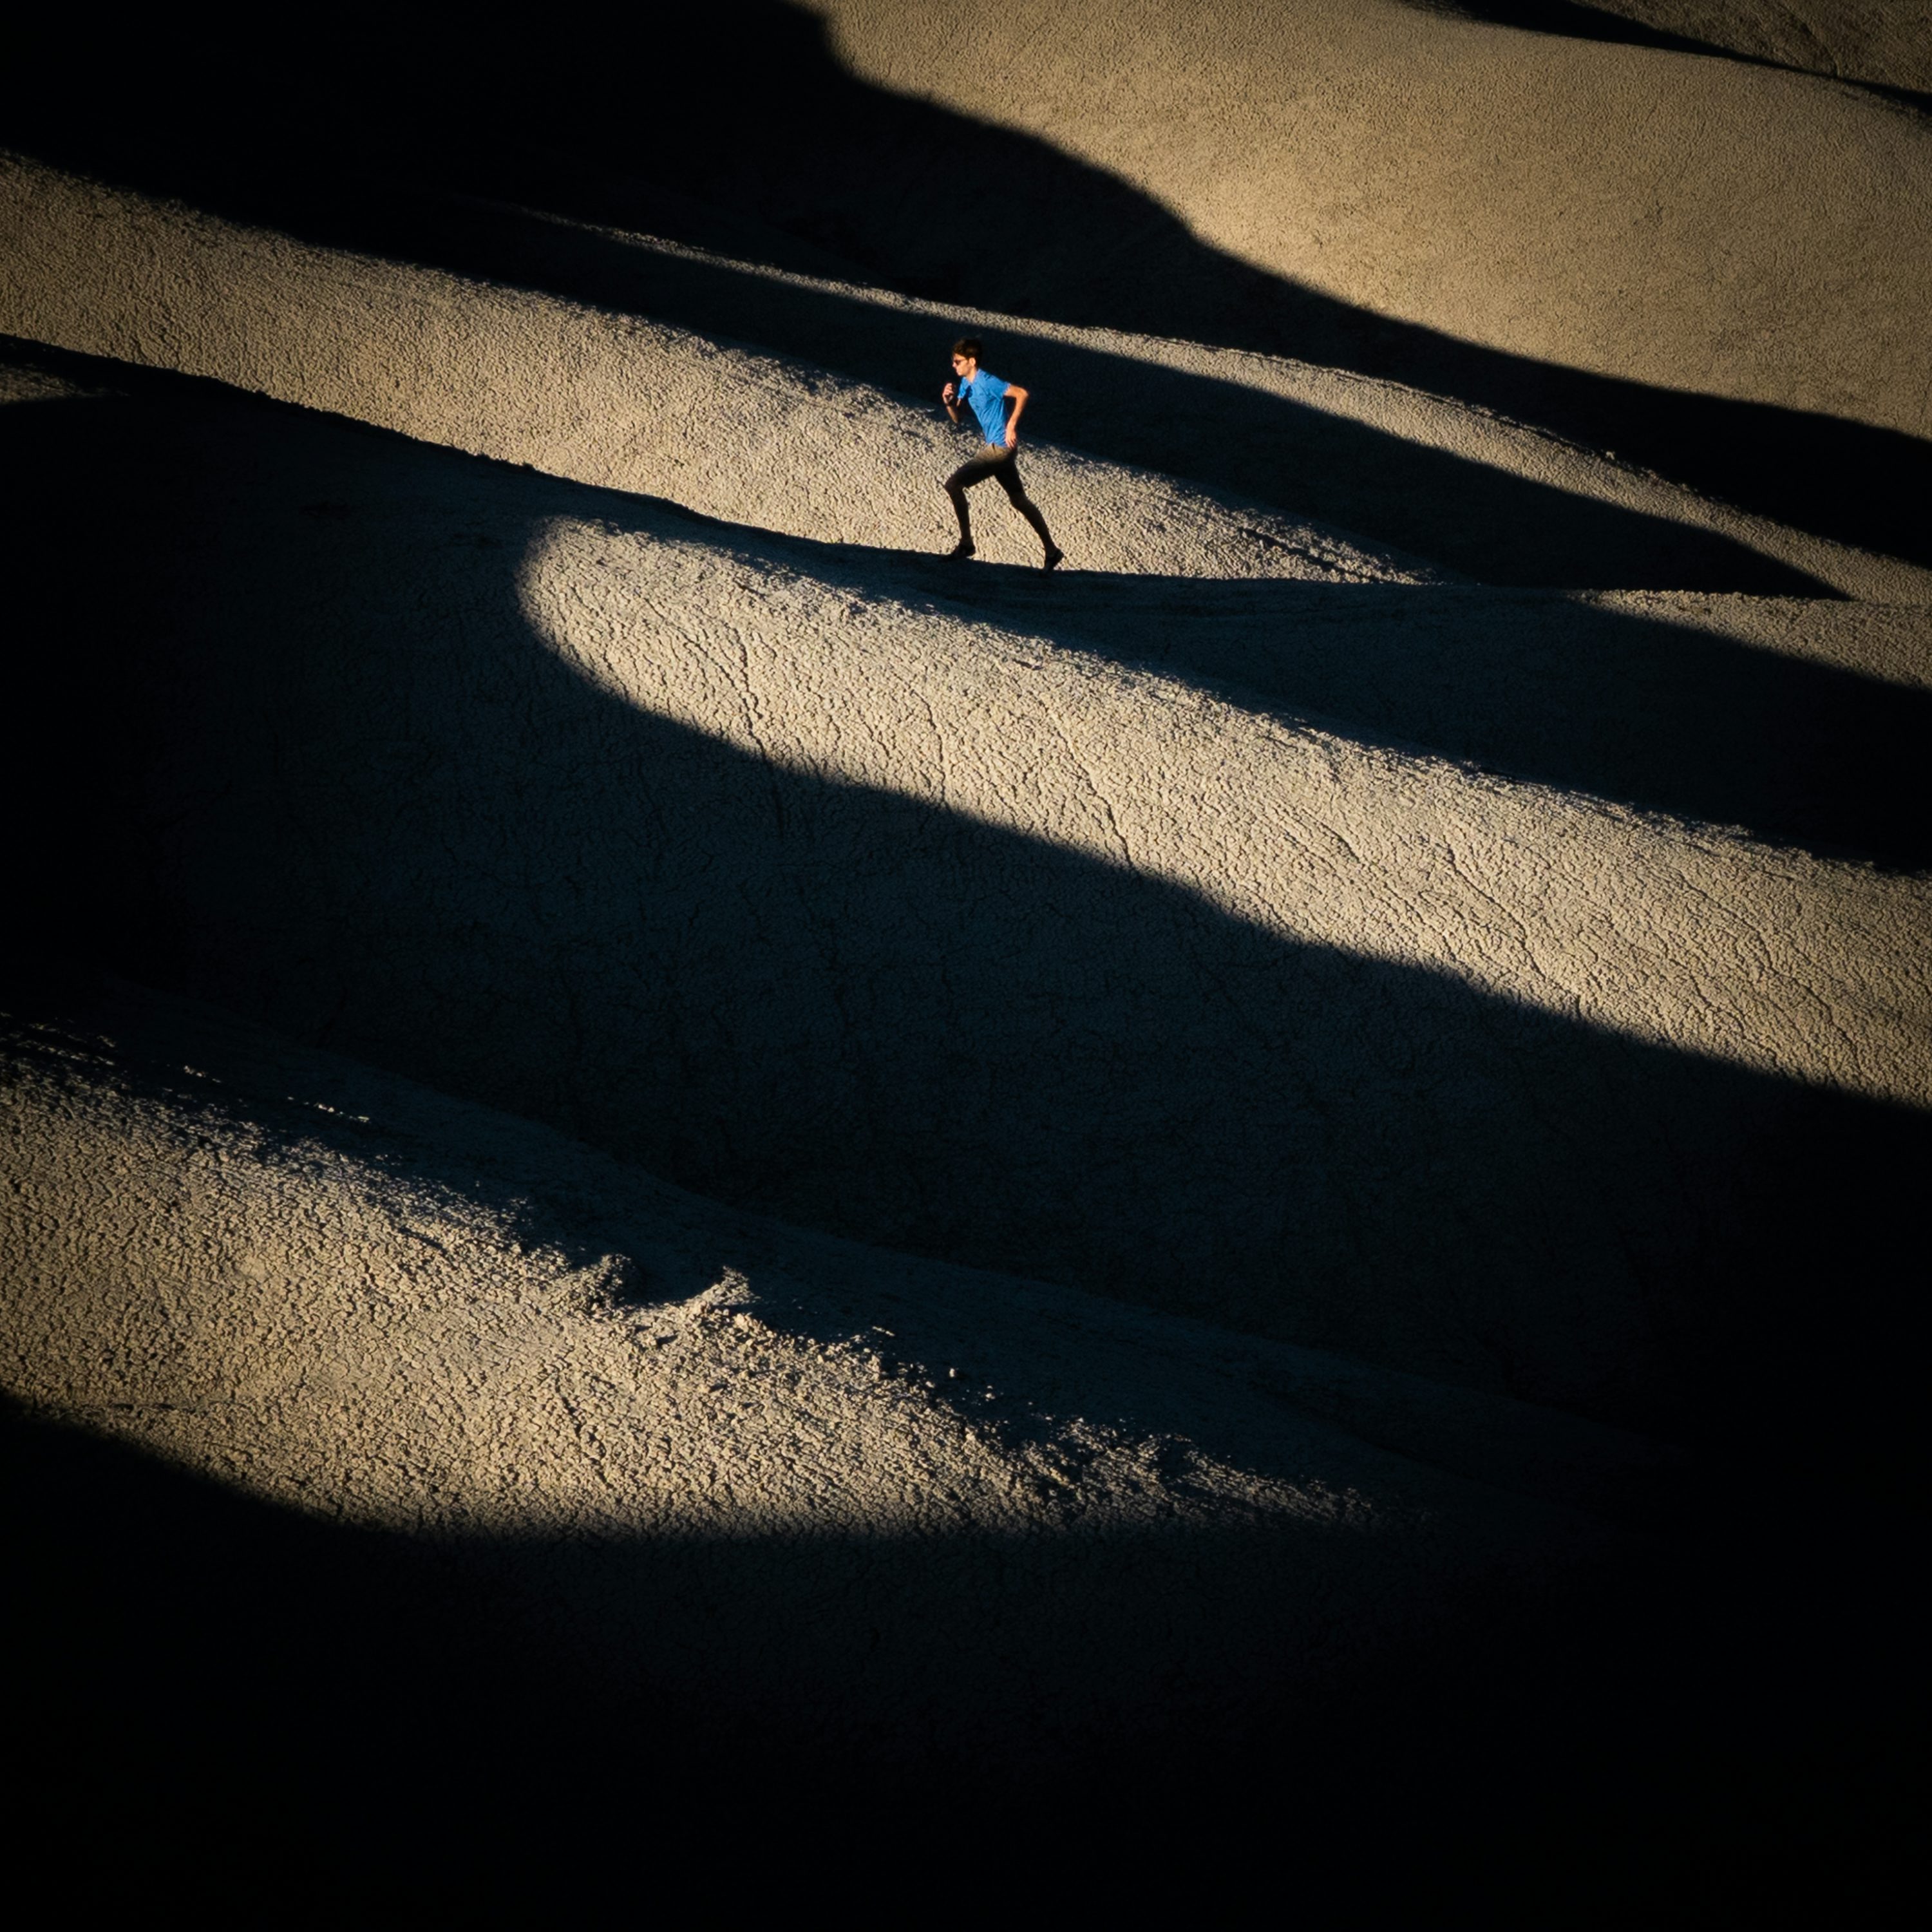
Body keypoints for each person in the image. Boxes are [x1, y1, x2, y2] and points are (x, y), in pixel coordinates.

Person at [940, 338, 1064, 570]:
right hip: (998, 448)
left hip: (1000, 449)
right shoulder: (966, 384)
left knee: (953, 485)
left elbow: (1022, 394)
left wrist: (1011, 426)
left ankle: (966, 544)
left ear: (972, 361)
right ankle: (1052, 551)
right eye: (953, 362)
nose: (954, 366)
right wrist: (948, 403)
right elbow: (958, 419)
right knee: (1018, 500)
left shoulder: (988, 382)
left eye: (958, 361)